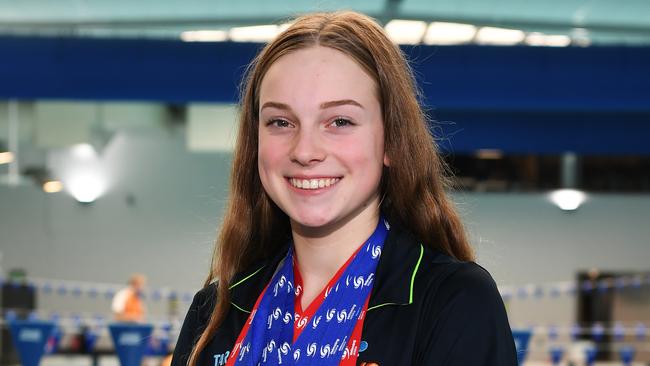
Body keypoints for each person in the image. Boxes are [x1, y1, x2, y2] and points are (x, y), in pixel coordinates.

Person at [172, 11, 517, 366]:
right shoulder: (214, 312)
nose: (305, 151)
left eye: (340, 121)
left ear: (392, 142)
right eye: (280, 121)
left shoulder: (451, 302)